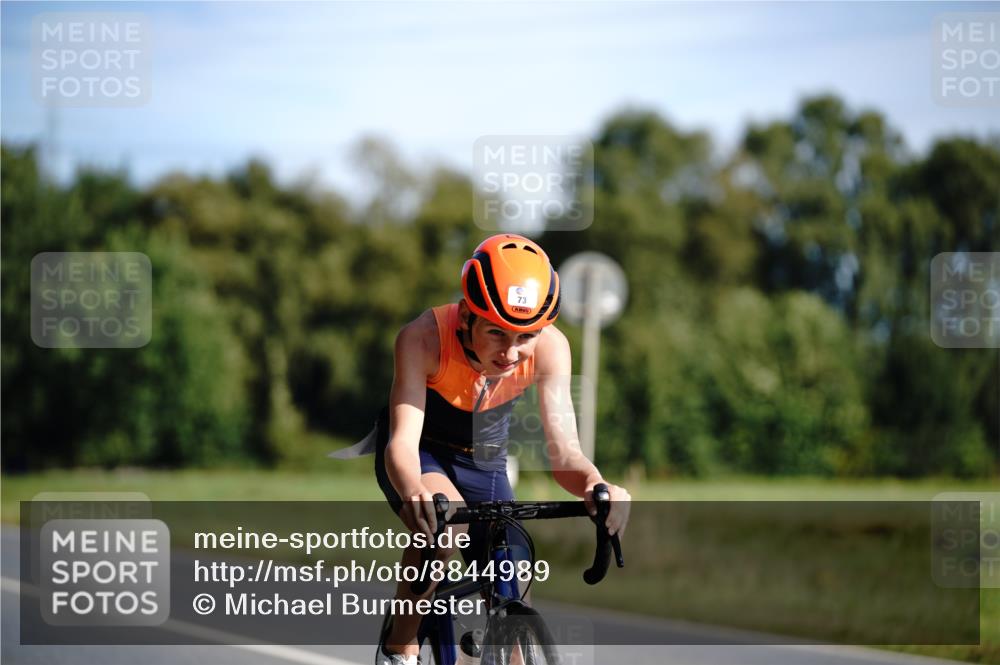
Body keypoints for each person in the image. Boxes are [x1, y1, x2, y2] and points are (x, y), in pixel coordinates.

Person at [372, 233, 631, 665]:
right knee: (445, 527)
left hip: (484, 460)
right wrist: (414, 488)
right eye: (496, 332)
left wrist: (595, 485)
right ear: (467, 316)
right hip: (423, 452)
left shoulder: (551, 348)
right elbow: (401, 444)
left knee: (515, 567)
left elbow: (565, 455)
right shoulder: (421, 338)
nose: (511, 352)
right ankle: (400, 646)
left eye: (525, 335)